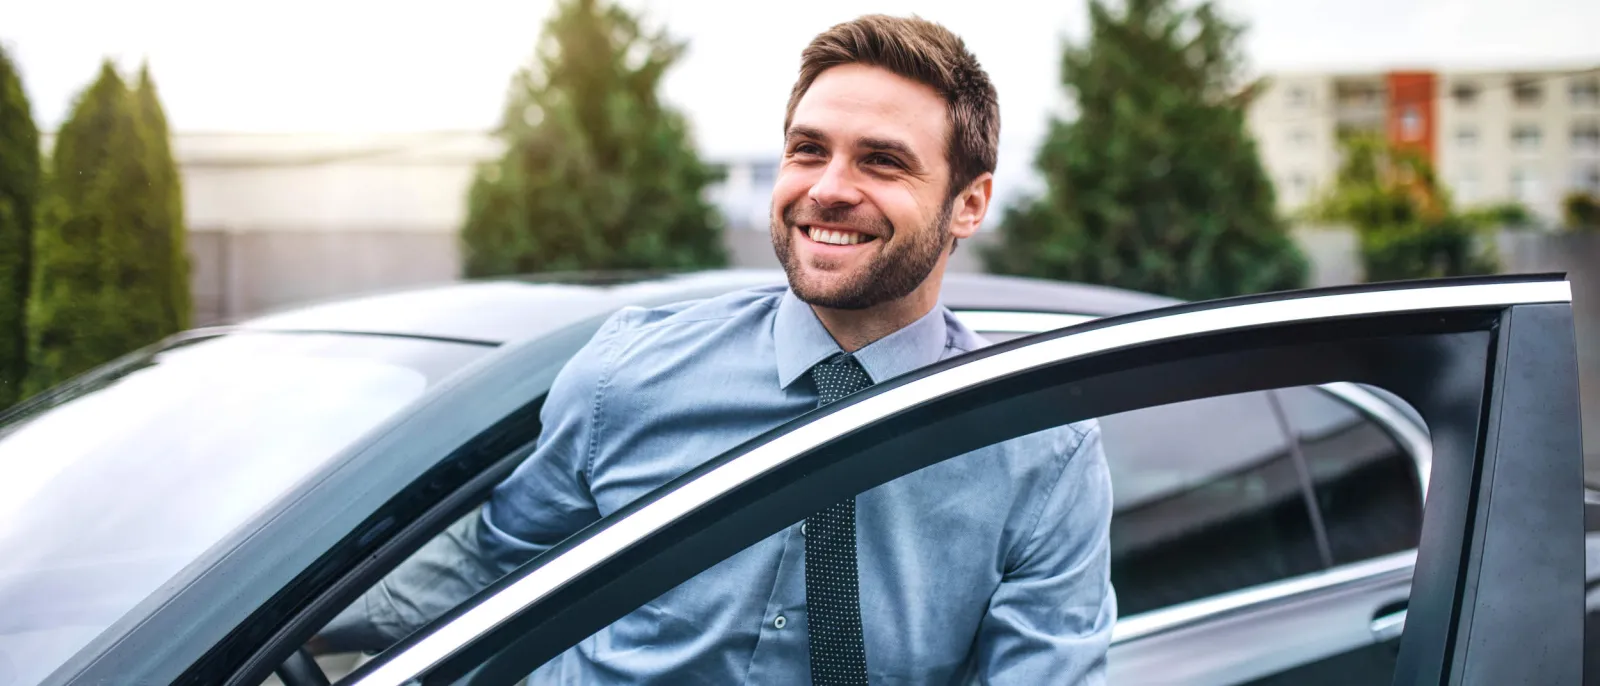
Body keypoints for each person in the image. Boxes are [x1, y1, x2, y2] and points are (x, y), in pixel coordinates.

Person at [315, 14, 1115, 684]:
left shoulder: (1037, 452)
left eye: (881, 161)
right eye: (808, 150)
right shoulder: (627, 374)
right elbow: (484, 573)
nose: (828, 187)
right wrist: (252, 633)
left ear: (969, 203)